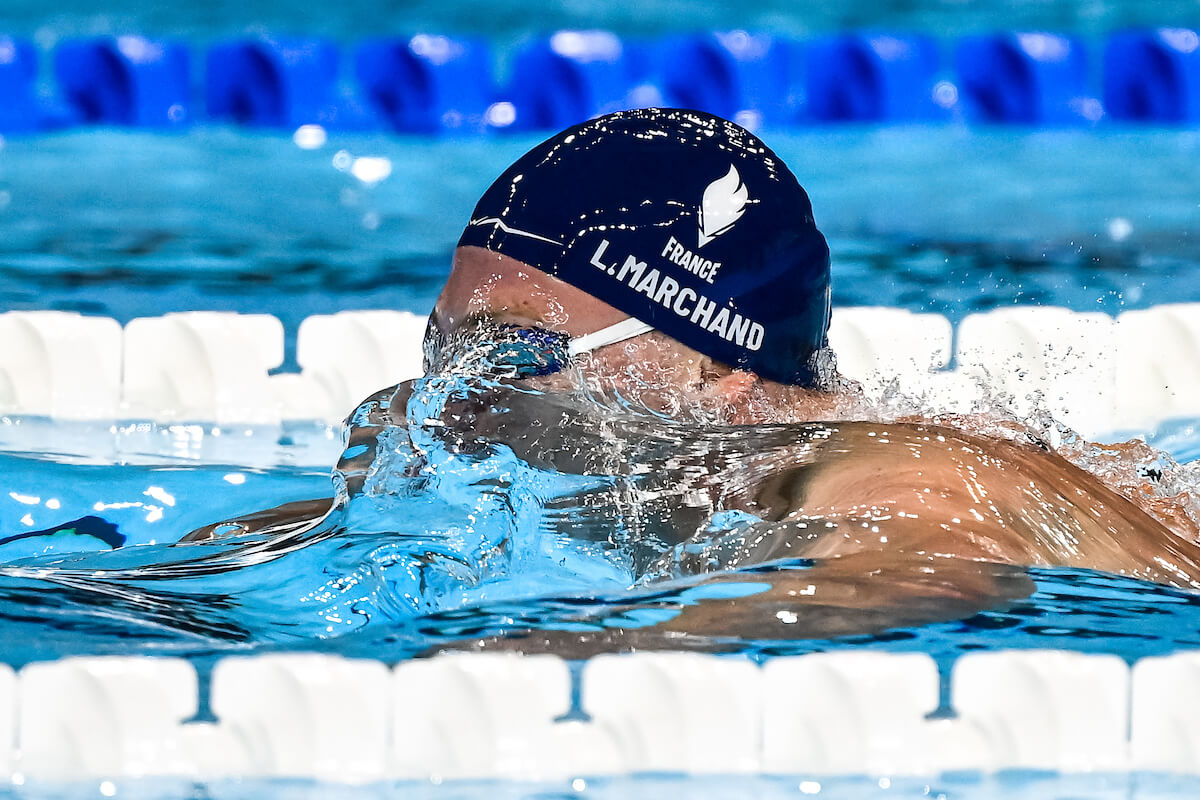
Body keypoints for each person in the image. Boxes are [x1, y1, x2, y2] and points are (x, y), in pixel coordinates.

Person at [184, 108, 1200, 644]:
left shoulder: (883, 473)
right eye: (443, 344)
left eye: (515, 352)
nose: (458, 390)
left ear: (713, 363)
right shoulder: (654, 475)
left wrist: (614, 654)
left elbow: (931, 573)